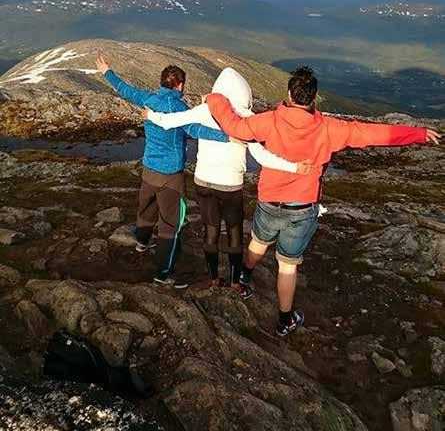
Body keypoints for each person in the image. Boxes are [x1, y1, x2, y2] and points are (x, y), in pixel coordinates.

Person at [203, 66, 441, 336]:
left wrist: (216, 99)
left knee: (259, 240)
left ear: (289, 94)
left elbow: (234, 126)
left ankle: (245, 275)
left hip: (269, 200)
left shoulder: (269, 121)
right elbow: (375, 135)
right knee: (288, 265)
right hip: (302, 208)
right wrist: (418, 134)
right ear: (313, 99)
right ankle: (284, 320)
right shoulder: (329, 128)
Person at [142, 67, 314, 299]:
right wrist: (295, 168)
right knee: (234, 232)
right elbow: (262, 156)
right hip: (230, 185)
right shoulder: (246, 118)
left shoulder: (205, 109)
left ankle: (214, 278)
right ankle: (235, 282)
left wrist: (151, 116)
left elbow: (172, 121)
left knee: (210, 231)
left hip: (203, 181)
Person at [96, 54, 232, 290]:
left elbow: (125, 89)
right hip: (171, 177)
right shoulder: (179, 109)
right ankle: (162, 275)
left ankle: (142, 241)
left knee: (147, 208)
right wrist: (228, 135)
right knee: (170, 225)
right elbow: (197, 130)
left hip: (149, 169)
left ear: (162, 83)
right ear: (180, 85)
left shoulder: (149, 99)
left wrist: (107, 72)